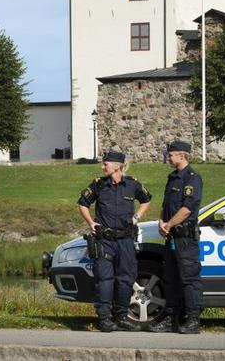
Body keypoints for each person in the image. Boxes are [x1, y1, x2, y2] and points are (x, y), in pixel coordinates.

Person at [77, 150, 151, 332]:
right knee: (104, 280)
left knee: (126, 279)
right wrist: (90, 222)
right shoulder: (98, 185)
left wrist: (137, 216)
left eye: (106, 164)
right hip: (105, 240)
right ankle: (104, 318)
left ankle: (121, 316)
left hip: (125, 240)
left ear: (118, 166)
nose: (103, 167)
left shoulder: (132, 184)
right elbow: (82, 203)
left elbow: (146, 200)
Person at [151, 140, 204, 334]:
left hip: (185, 239)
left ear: (182, 156)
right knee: (171, 278)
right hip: (171, 237)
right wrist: (160, 221)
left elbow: (187, 209)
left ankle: (193, 319)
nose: (168, 157)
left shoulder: (192, 178)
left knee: (189, 279)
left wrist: (169, 224)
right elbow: (167, 205)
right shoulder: (172, 177)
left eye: (171, 154)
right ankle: (171, 318)